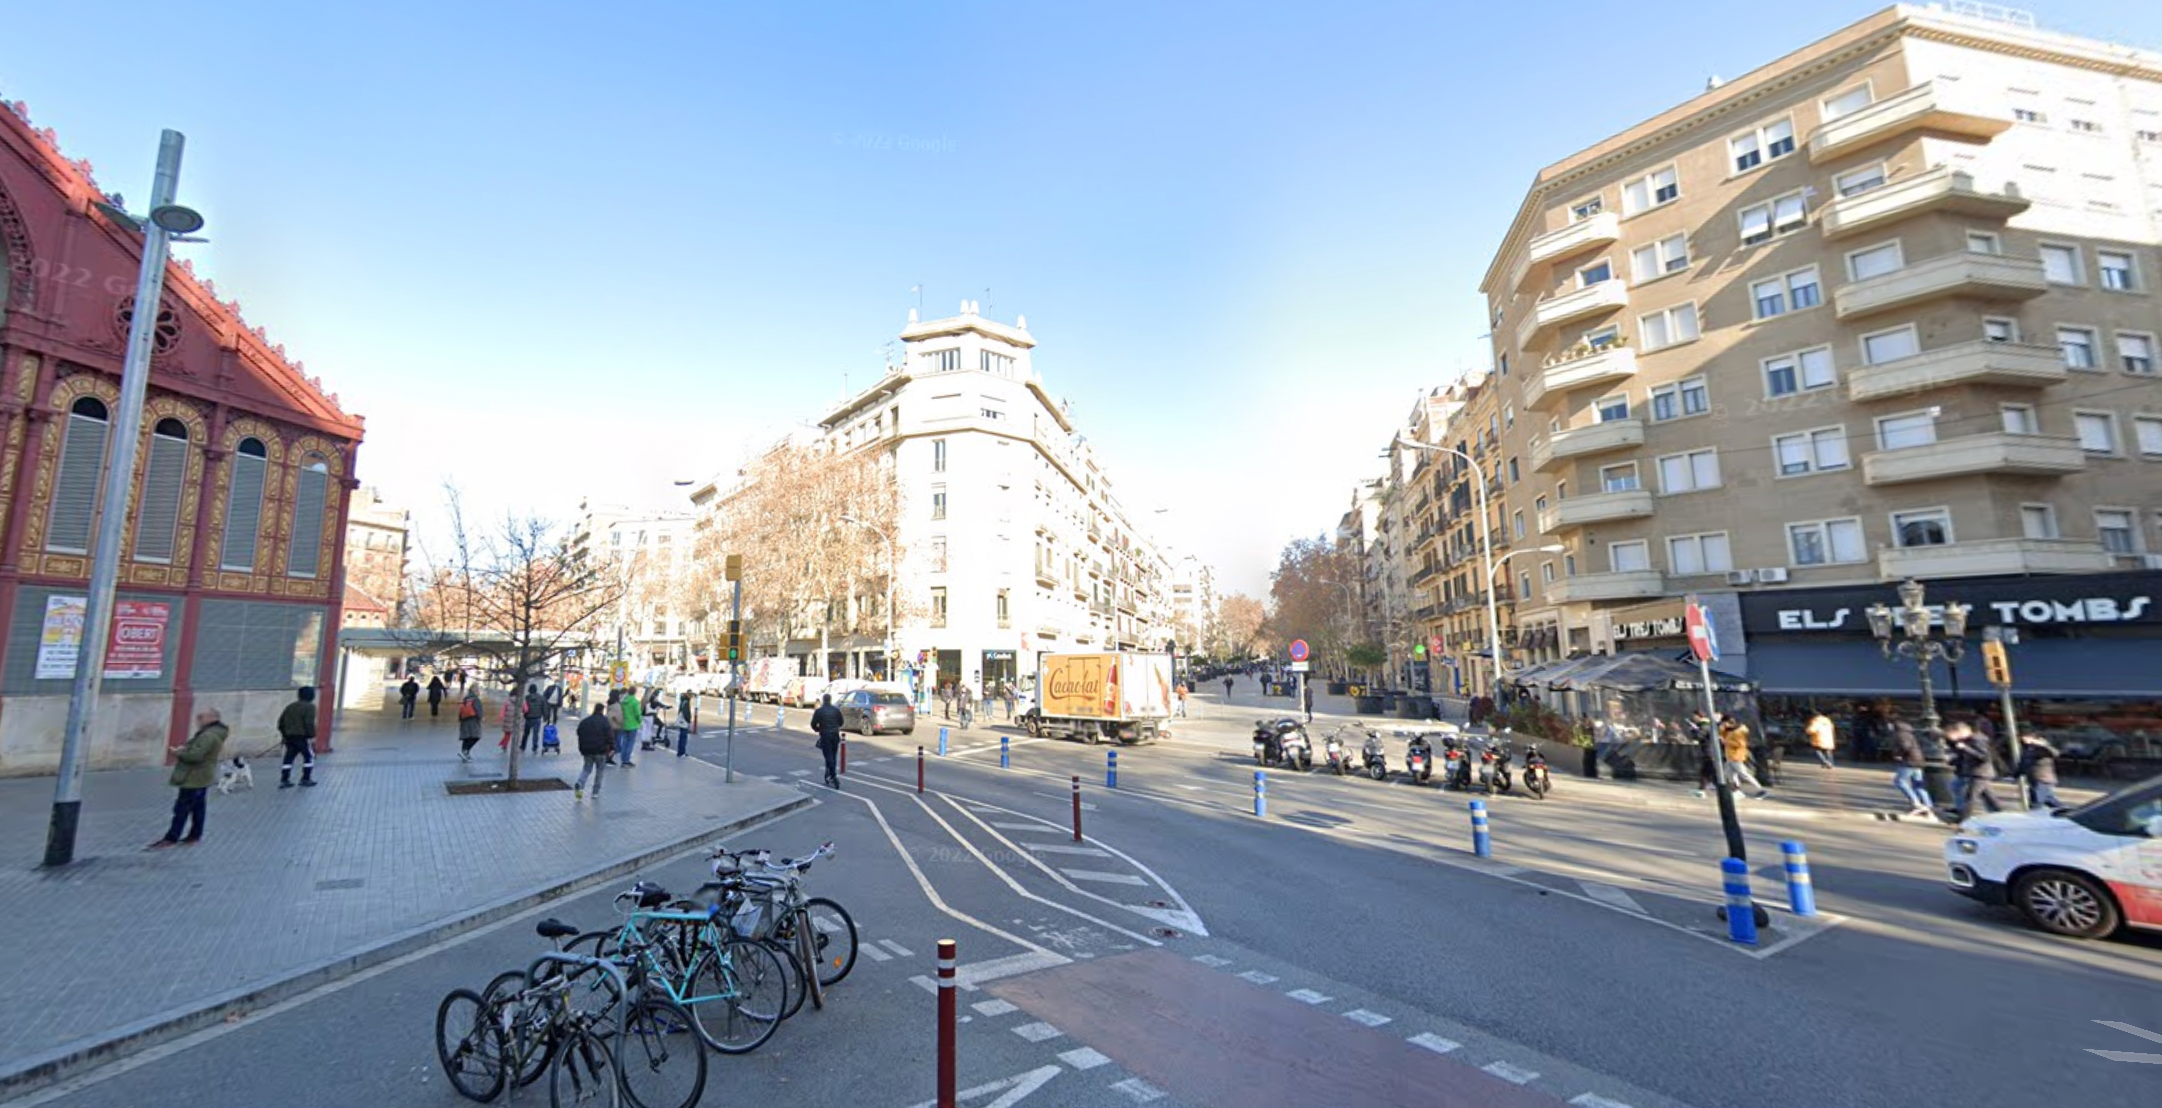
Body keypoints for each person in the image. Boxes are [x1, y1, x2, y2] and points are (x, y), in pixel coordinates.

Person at [148, 707, 229, 849]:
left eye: (200, 717)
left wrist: (179, 753)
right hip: (202, 776)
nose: (197, 720)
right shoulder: (215, 733)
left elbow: (195, 756)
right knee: (198, 807)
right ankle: (195, 835)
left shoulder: (208, 735)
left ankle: (172, 837)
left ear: (212, 718)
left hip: (194, 776)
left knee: (182, 808)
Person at [1948, 721, 2004, 822]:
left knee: (1970, 797)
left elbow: (1984, 757)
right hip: (1977, 773)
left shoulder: (1977, 739)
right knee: (1989, 797)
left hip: (1980, 773)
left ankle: (1964, 819)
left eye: (1956, 733)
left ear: (1961, 731)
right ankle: (2000, 814)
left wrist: (1966, 748)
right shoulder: (1969, 740)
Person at [1889, 720, 1933, 818]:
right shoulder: (1910, 734)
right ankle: (1928, 805)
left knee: (1899, 781)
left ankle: (1916, 804)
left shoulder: (1900, 735)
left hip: (1909, 761)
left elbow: (1905, 747)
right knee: (1918, 784)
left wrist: (1898, 754)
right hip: (1918, 760)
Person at [277, 686, 320, 788]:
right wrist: (312, 736)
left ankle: (284, 779)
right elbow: (309, 723)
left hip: (289, 737)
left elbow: (280, 723)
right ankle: (306, 778)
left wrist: (284, 735)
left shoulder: (290, 706)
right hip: (302, 737)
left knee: (289, 758)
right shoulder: (310, 707)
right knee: (309, 757)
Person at [1720, 714, 1768, 799]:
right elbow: (1722, 734)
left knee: (1743, 774)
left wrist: (1726, 742)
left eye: (1724, 723)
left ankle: (1760, 789)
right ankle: (1736, 791)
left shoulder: (1738, 731)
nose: (1724, 725)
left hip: (1736, 756)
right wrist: (1722, 730)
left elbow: (1740, 744)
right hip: (1730, 756)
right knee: (1729, 774)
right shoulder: (1730, 730)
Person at [573, 702, 613, 800]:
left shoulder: (585, 721)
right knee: (599, 771)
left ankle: (580, 783)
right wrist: (612, 747)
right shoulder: (604, 721)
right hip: (600, 751)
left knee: (586, 769)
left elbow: (579, 732)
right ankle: (595, 792)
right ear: (602, 710)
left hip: (587, 750)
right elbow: (609, 736)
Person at [2017, 732, 2064, 811]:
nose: (2024, 739)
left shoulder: (2042, 749)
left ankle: (2034, 816)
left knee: (2037, 801)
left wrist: (2043, 745)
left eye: (2026, 737)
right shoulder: (2028, 749)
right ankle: (2064, 811)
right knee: (2049, 800)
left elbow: (2055, 753)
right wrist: (2016, 774)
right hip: (2034, 778)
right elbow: (2024, 763)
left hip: (2043, 779)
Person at [810, 694, 844, 788]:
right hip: (835, 735)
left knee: (828, 756)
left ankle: (832, 775)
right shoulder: (836, 710)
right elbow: (841, 722)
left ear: (823, 700)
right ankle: (829, 775)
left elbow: (813, 724)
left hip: (825, 736)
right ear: (830, 700)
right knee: (833, 755)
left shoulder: (819, 711)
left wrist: (818, 729)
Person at [457, 685, 484, 761]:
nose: (479, 692)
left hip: (465, 720)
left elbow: (461, 709)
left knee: (467, 737)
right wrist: (481, 717)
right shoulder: (476, 699)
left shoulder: (466, 698)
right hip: (473, 720)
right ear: (475, 691)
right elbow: (479, 710)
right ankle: (465, 751)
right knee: (476, 736)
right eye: (478, 690)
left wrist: (460, 719)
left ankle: (465, 753)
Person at [521, 683, 545, 753]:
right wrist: (545, 716)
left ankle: (523, 746)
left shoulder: (527, 698)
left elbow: (524, 708)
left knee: (526, 733)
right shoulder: (541, 698)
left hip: (528, 718)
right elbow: (544, 708)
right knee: (535, 734)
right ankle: (534, 747)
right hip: (537, 718)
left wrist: (524, 714)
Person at [676, 688, 695, 756]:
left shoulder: (683, 700)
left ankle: (680, 751)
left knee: (681, 736)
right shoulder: (686, 702)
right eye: (691, 695)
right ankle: (682, 752)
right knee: (683, 737)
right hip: (684, 721)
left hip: (682, 721)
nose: (691, 697)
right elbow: (686, 713)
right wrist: (688, 720)